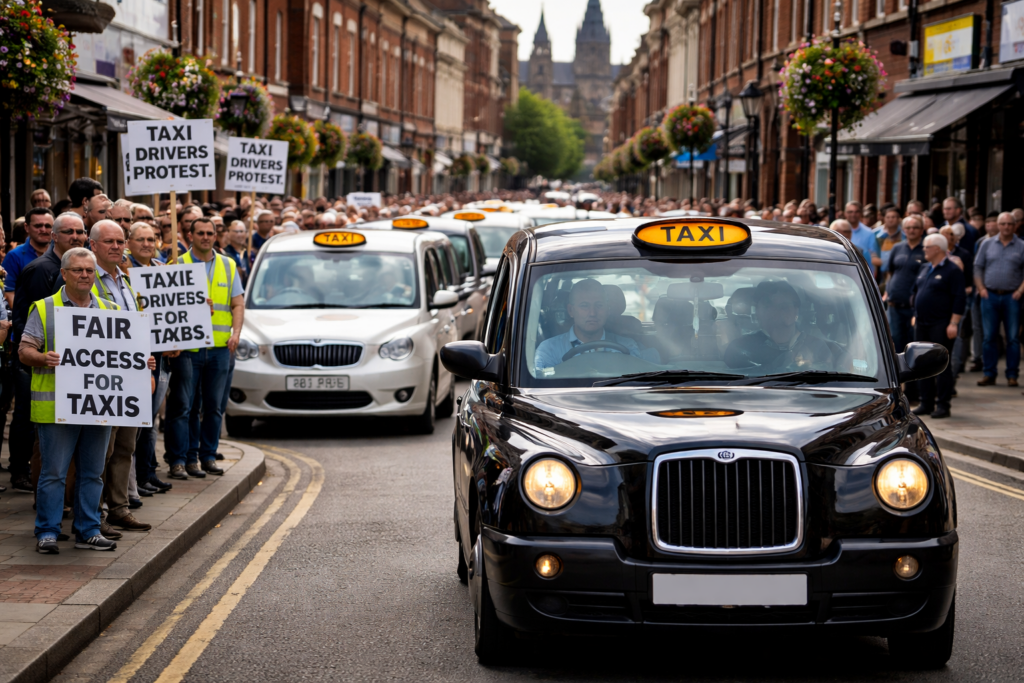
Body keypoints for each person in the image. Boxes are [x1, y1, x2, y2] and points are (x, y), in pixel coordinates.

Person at [22, 247, 120, 553]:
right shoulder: (44, 308)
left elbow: (122, 356)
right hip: (56, 408)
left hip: (97, 406)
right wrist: (42, 357)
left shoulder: (111, 311)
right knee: (54, 473)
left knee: (93, 473)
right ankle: (48, 532)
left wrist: (142, 364)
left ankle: (88, 530)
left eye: (89, 271)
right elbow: (25, 350)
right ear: (63, 274)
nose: (85, 276)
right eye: (78, 270)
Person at [5, 213, 89, 492]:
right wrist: (40, 355)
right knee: (38, 433)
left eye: (80, 231)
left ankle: (64, 495)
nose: (76, 236)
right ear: (55, 236)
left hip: (73, 371)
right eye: (68, 231)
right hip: (43, 368)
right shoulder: (42, 269)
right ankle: (28, 479)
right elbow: (36, 320)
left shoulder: (87, 268)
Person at [88, 220, 157, 533]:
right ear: (94, 246)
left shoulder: (127, 281)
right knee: (102, 448)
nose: (116, 246)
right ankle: (95, 514)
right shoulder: (88, 279)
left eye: (119, 241)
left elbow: (138, 328)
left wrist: (147, 363)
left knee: (125, 447)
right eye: (109, 242)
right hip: (105, 378)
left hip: (133, 376)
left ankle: (119, 508)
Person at [164, 217, 244, 479]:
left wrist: (237, 333)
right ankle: (181, 459)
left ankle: (207, 456)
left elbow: (237, 304)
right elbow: (167, 307)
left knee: (213, 407)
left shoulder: (228, 265)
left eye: (210, 233)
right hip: (189, 348)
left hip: (220, 348)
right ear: (191, 235)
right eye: (201, 233)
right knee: (184, 405)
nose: (206, 237)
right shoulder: (177, 264)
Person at [123, 223, 174, 498]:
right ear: (129, 242)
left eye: (151, 239)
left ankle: (148, 472)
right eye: (140, 239)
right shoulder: (123, 271)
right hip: (139, 353)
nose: (146, 243)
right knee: (139, 418)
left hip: (161, 353)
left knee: (151, 417)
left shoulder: (162, 267)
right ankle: (138, 477)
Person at [534, 279, 651, 369]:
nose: (592, 313)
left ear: (608, 310)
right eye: (584, 306)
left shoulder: (627, 347)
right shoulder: (549, 349)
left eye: (599, 305)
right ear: (571, 310)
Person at [911, 234, 965, 419]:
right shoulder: (925, 268)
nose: (924, 250)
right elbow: (916, 291)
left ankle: (943, 405)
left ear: (938, 249)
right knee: (922, 363)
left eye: (927, 247)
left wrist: (954, 322)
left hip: (941, 323)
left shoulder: (952, 270)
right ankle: (926, 402)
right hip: (922, 322)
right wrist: (914, 314)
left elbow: (959, 297)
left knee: (941, 365)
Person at [724, 280, 833, 369]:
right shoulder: (739, 349)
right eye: (768, 305)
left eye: (784, 306)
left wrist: (810, 367)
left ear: (796, 311)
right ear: (757, 311)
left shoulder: (817, 347)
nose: (776, 312)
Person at [973, 212, 1024, 387]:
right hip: (990, 296)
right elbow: (978, 267)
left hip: (1012, 296)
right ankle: (989, 373)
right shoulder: (986, 244)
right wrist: (981, 288)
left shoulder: (1021, 245)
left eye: (1010, 224)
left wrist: (1020, 290)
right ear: (998, 225)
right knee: (989, 337)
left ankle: (1012, 375)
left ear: (1015, 225)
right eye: (1003, 224)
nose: (1006, 227)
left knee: (1013, 338)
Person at [885, 216, 926, 358]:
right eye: (908, 228)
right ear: (903, 230)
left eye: (915, 227)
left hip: (915, 307)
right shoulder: (897, 248)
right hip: (894, 304)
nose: (911, 230)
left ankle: (913, 380)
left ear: (922, 230)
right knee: (895, 341)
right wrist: (887, 291)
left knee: (914, 343)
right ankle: (898, 378)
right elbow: (890, 272)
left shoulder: (926, 249)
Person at [3, 207, 53, 311]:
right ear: (27, 227)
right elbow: (9, 293)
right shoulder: (14, 256)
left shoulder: (62, 253)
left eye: (48, 226)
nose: (43, 230)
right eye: (38, 226)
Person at [844, 201, 882, 276]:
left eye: (856, 212)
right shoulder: (837, 229)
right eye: (850, 212)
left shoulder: (869, 233)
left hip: (862, 275)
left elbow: (874, 257)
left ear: (861, 213)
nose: (853, 214)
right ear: (845, 213)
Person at [874, 207, 904, 281]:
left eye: (893, 217)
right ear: (884, 219)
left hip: (898, 272)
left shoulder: (904, 236)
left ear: (899, 219)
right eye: (888, 217)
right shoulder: (876, 234)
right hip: (880, 273)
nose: (890, 220)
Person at [223, 221, 251, 285]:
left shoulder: (249, 253)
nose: (240, 235)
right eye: (236, 232)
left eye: (241, 231)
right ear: (229, 233)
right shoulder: (225, 253)